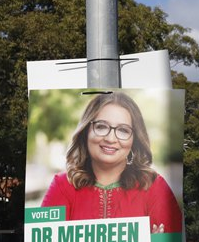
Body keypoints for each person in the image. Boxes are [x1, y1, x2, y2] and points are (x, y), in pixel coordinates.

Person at [41, 92, 182, 233]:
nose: (110, 138)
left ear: (135, 140)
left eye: (123, 130)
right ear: (86, 132)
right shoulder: (62, 186)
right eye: (101, 126)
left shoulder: (155, 187)